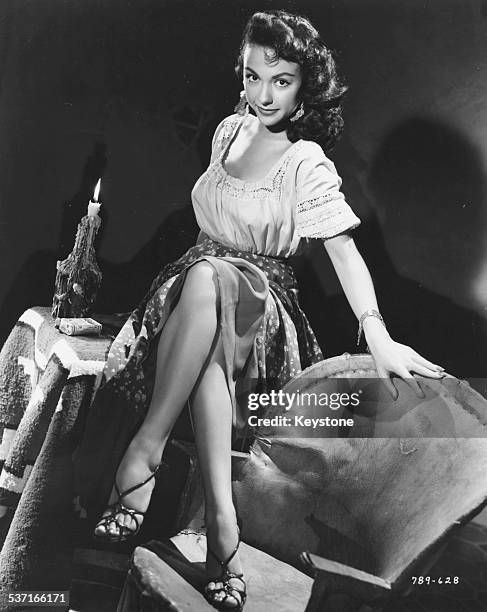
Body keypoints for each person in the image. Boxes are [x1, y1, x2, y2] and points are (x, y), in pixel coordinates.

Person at [82, 10, 444, 611]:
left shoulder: (306, 163)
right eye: (253, 77)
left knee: (213, 282)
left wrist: (377, 333)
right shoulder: (227, 131)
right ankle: (224, 528)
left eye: (281, 80)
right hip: (192, 294)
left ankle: (143, 455)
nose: (263, 93)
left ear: (305, 88)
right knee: (204, 292)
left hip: (262, 307)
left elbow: (343, 253)